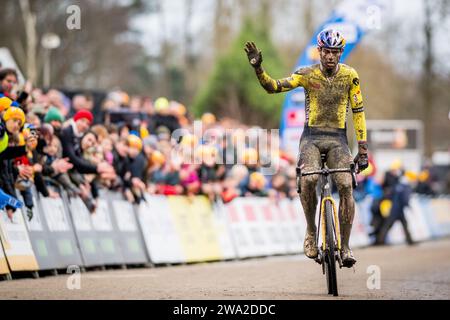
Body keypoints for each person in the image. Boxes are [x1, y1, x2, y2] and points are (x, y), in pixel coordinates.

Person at [245, 29, 369, 267]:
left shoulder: (350, 76)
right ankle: (311, 232)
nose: (330, 57)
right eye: (326, 52)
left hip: (338, 140)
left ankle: (345, 247)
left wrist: (362, 150)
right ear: (319, 51)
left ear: (340, 53)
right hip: (311, 138)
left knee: (344, 185)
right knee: (309, 180)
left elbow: (358, 113)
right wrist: (258, 68)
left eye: (335, 52)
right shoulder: (306, 74)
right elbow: (273, 87)